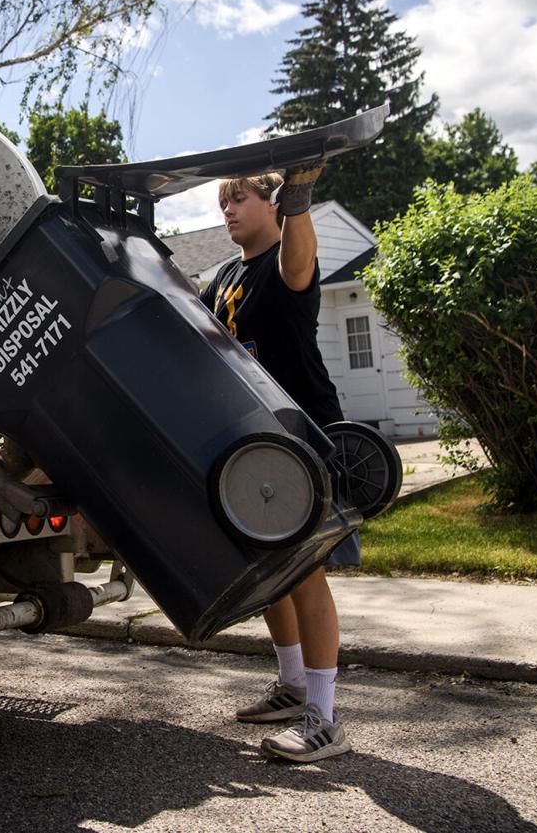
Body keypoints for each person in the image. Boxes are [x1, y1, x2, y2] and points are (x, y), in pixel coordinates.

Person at [198, 167, 358, 763]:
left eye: (239, 198)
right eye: (223, 202)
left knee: (305, 570)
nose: (229, 210)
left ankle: (325, 718)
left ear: (271, 206)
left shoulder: (286, 261)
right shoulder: (224, 276)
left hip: (303, 431)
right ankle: (293, 687)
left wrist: (298, 195)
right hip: (253, 437)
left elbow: (298, 263)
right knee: (269, 569)